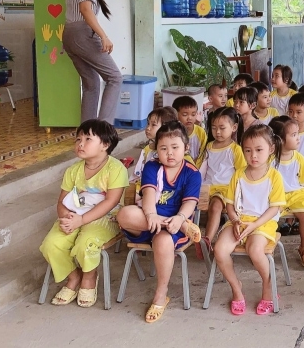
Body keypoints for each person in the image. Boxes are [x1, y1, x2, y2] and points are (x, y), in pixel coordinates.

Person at [116, 121, 202, 323]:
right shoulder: (152, 166)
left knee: (163, 241)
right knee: (124, 214)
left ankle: (161, 295)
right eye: (163, 148)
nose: (169, 153)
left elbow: (189, 203)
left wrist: (180, 219)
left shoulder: (192, 173)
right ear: (156, 150)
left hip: (175, 224)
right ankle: (181, 226)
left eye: (175, 147)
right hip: (149, 219)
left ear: (186, 148)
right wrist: (151, 214)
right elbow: (148, 193)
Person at [39, 119, 128, 307]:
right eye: (78, 139)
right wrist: (65, 218)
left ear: (105, 144)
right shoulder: (73, 171)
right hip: (74, 217)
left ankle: (89, 276)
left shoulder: (115, 168)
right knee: (51, 245)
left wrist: (82, 220)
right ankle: (74, 276)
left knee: (85, 244)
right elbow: (62, 201)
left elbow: (111, 202)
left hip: (105, 218)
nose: (80, 143)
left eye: (88, 139)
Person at [212, 125, 287, 316]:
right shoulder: (238, 174)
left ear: (271, 149)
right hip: (239, 220)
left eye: (259, 150)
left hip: (263, 222)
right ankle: (236, 288)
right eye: (247, 150)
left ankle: (268, 287)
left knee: (254, 250)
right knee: (219, 249)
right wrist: (235, 220)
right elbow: (229, 204)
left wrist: (254, 225)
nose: (253, 155)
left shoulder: (274, 176)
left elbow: (274, 208)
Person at [61, 0, 122, 123]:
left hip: (69, 35)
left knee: (91, 84)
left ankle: (87, 131)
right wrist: (103, 36)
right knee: (114, 77)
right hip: (82, 34)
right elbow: (86, 9)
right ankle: (104, 128)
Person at [270, 116, 304, 268]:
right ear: (280, 140)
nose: (298, 138)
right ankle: (265, 246)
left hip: (297, 195)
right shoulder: (269, 159)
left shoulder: (299, 158)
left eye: (297, 133)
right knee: (267, 217)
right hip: (275, 196)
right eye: (293, 135)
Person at [199, 107, 245, 250]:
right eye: (214, 128)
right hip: (206, 188)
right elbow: (201, 169)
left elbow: (242, 173)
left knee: (215, 206)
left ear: (234, 127)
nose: (217, 132)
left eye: (222, 128)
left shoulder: (235, 149)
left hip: (225, 190)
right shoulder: (209, 147)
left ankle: (207, 240)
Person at [131, 107, 178, 202]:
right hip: (143, 188)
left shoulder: (175, 153)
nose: (148, 128)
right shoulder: (147, 149)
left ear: (165, 127)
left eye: (153, 125)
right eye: (148, 123)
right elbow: (137, 174)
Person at [172, 96, 206, 167]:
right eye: (185, 114)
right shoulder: (172, 133)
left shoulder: (200, 132)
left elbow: (204, 152)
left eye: (193, 114)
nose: (189, 118)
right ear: (176, 115)